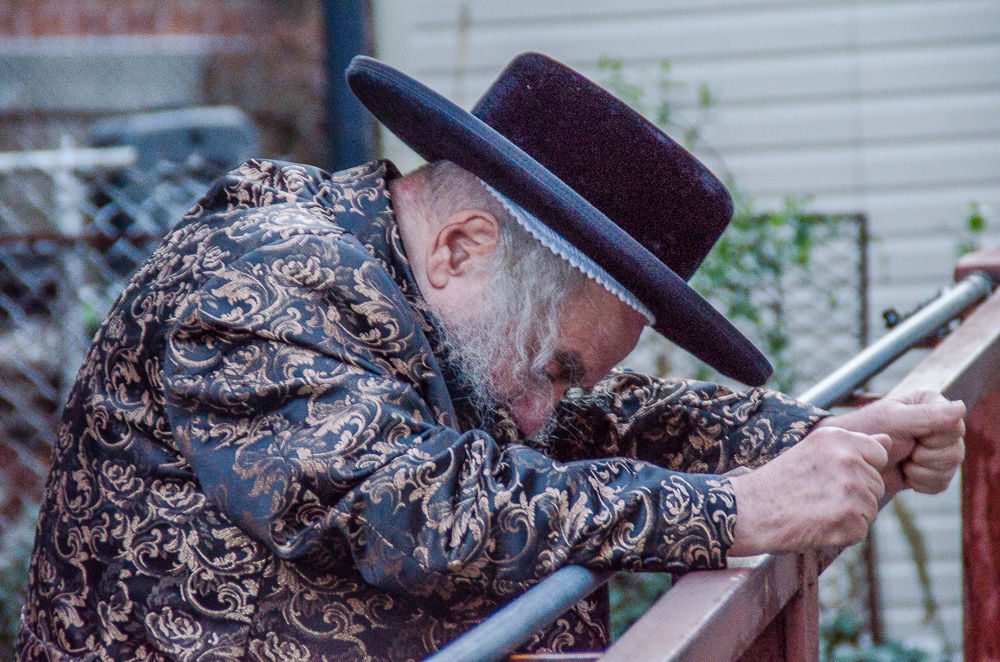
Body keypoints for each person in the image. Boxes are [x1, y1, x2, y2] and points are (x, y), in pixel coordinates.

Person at [17, 54, 964, 662]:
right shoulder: (261, 273)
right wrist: (739, 510)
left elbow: (597, 419)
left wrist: (818, 434)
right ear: (463, 248)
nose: (546, 411)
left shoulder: (416, 297)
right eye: (555, 367)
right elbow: (409, 506)